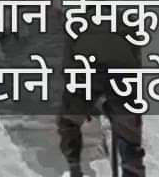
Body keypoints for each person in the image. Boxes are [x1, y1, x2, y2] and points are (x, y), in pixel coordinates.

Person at [57, 26, 147, 177]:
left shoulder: (77, 22)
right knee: (129, 133)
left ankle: (74, 167)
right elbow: (136, 62)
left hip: (87, 73)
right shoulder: (126, 24)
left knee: (69, 122)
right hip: (121, 75)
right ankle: (132, 170)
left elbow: (68, 64)